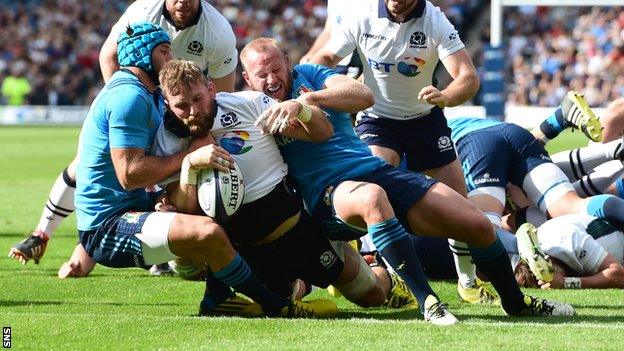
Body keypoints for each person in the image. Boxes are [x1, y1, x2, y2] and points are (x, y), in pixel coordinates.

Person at [240, 37, 575, 322]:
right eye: (261, 74)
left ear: (287, 61)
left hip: (374, 171)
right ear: (247, 79)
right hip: (326, 197)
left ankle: (516, 304)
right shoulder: (247, 110)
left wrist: (308, 100)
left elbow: (362, 95)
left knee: (476, 223)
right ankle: (429, 302)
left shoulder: (310, 76)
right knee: (371, 199)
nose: (271, 79)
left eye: (276, 68)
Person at [67, 21, 331, 318]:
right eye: (164, 51)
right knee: (208, 232)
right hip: (109, 224)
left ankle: (219, 296)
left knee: (217, 205)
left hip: (136, 206)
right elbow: (129, 175)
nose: (170, 59)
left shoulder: (143, 92)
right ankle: (278, 306)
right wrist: (189, 156)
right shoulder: (130, 97)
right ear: (142, 54)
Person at [154, 58, 412, 311]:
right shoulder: (168, 141)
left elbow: (323, 132)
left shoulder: (250, 104)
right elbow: (186, 212)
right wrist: (189, 165)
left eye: (198, 99)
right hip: (246, 249)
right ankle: (303, 286)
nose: (193, 111)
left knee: (372, 296)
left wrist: (302, 109)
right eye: (181, 106)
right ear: (168, 104)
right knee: (277, 297)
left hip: (299, 233)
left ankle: (385, 275)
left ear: (211, 89)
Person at [9, 0, 238, 270]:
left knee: (181, 170)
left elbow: (221, 96)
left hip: (186, 108)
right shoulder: (143, 11)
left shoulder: (218, 31)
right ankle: (43, 233)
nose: (182, 2)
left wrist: (198, 133)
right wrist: (128, 106)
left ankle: (170, 246)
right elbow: (110, 55)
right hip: (148, 99)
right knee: (90, 162)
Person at [310, 0, 495, 304]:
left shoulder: (435, 21)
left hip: (426, 120)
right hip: (377, 119)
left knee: (459, 203)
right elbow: (327, 55)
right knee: (370, 188)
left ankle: (468, 282)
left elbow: (468, 77)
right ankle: (382, 272)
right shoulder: (364, 15)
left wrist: (445, 95)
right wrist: (315, 82)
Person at [503, 218, 624, 290]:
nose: (547, 282)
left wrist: (567, 283)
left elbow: (619, 275)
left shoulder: (567, 238)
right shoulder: (533, 249)